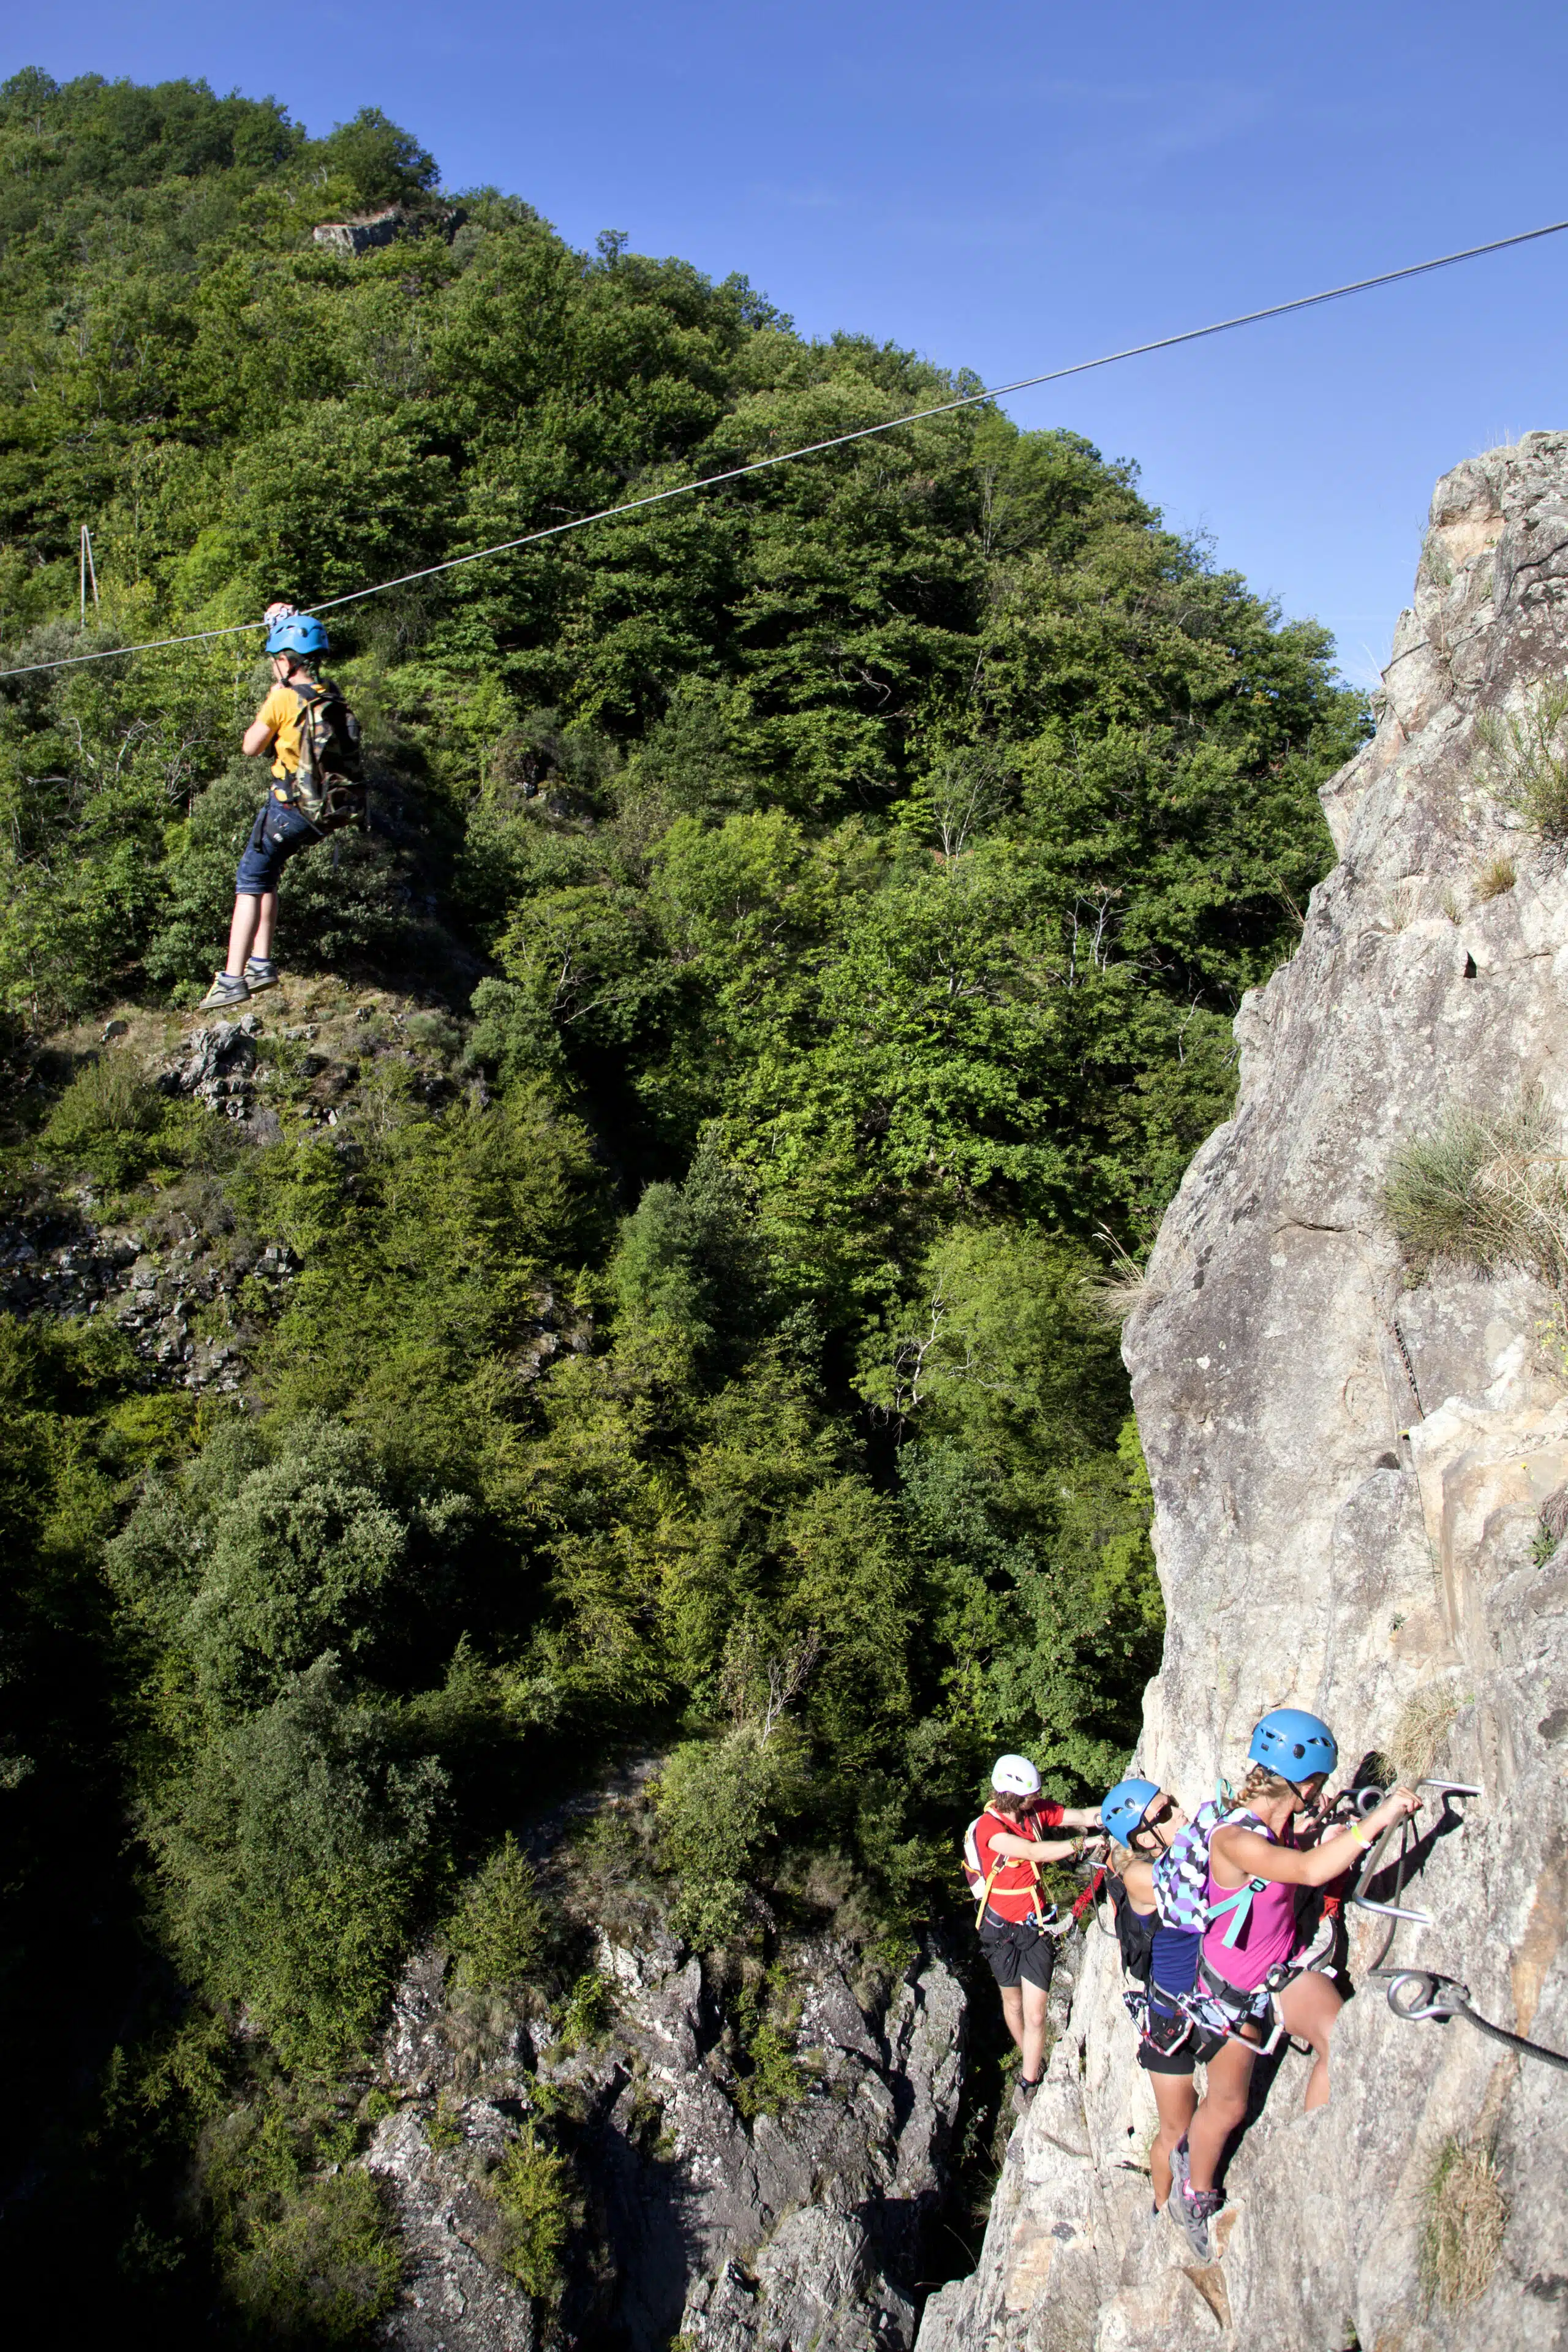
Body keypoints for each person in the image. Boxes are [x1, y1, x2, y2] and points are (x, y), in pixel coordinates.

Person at [1169, 1709, 1420, 2258]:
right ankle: (1194, 2188)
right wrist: (1377, 1823)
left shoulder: (1278, 1824)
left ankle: (1309, 2160)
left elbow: (1299, 1854)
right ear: (1305, 1784)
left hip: (1282, 1970)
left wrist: (1330, 1827)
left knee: (1341, 2037)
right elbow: (1305, 1872)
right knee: (1229, 2107)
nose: (1323, 1796)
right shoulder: (1235, 1839)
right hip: (1231, 1998)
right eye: (1322, 1788)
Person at [199, 611, 341, 1012]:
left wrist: (272, 698)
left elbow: (251, 746)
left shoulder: (281, 697)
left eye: (276, 658)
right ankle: (260, 964)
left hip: (287, 807)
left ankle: (232, 977)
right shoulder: (329, 693)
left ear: (288, 660)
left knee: (248, 879)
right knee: (267, 874)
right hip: (323, 811)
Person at [1100, 1777, 1223, 2217]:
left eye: (1170, 1804)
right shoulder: (1138, 1875)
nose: (1178, 1813)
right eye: (1163, 1815)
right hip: (1170, 2019)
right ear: (1142, 1838)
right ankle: (1161, 2205)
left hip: (1204, 2001)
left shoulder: (1175, 1848)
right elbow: (1196, 1884)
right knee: (1175, 2130)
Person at [970, 1755, 1102, 2112]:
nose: (1040, 1796)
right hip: (1000, 1930)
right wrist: (1085, 1845)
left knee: (1037, 2013)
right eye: (1033, 1793)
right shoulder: (988, 1829)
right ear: (1016, 1796)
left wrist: (1116, 1814)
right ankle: (1031, 2053)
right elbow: (1032, 1852)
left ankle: (1028, 2081)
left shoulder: (1035, 1811)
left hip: (1036, 1924)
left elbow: (1082, 1816)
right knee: (1012, 2003)